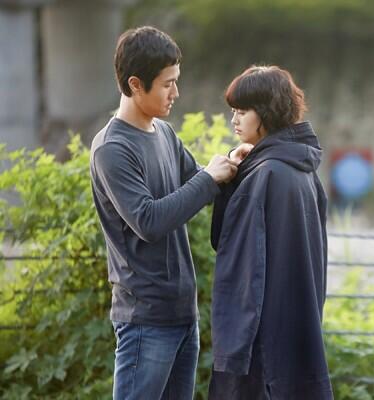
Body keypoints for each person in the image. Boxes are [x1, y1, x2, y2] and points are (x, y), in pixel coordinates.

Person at [89, 26, 243, 399]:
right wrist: (209, 177)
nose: (176, 93)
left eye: (176, 81)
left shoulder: (164, 133)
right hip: (145, 320)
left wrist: (237, 164)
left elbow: (202, 186)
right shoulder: (112, 149)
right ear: (135, 84)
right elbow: (149, 221)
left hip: (183, 314)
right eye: (167, 84)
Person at [209, 65, 333, 400]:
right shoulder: (303, 171)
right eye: (233, 111)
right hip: (296, 324)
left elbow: (235, 257)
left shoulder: (265, 176)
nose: (234, 120)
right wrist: (239, 171)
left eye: (242, 111)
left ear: (266, 112)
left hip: (259, 338)